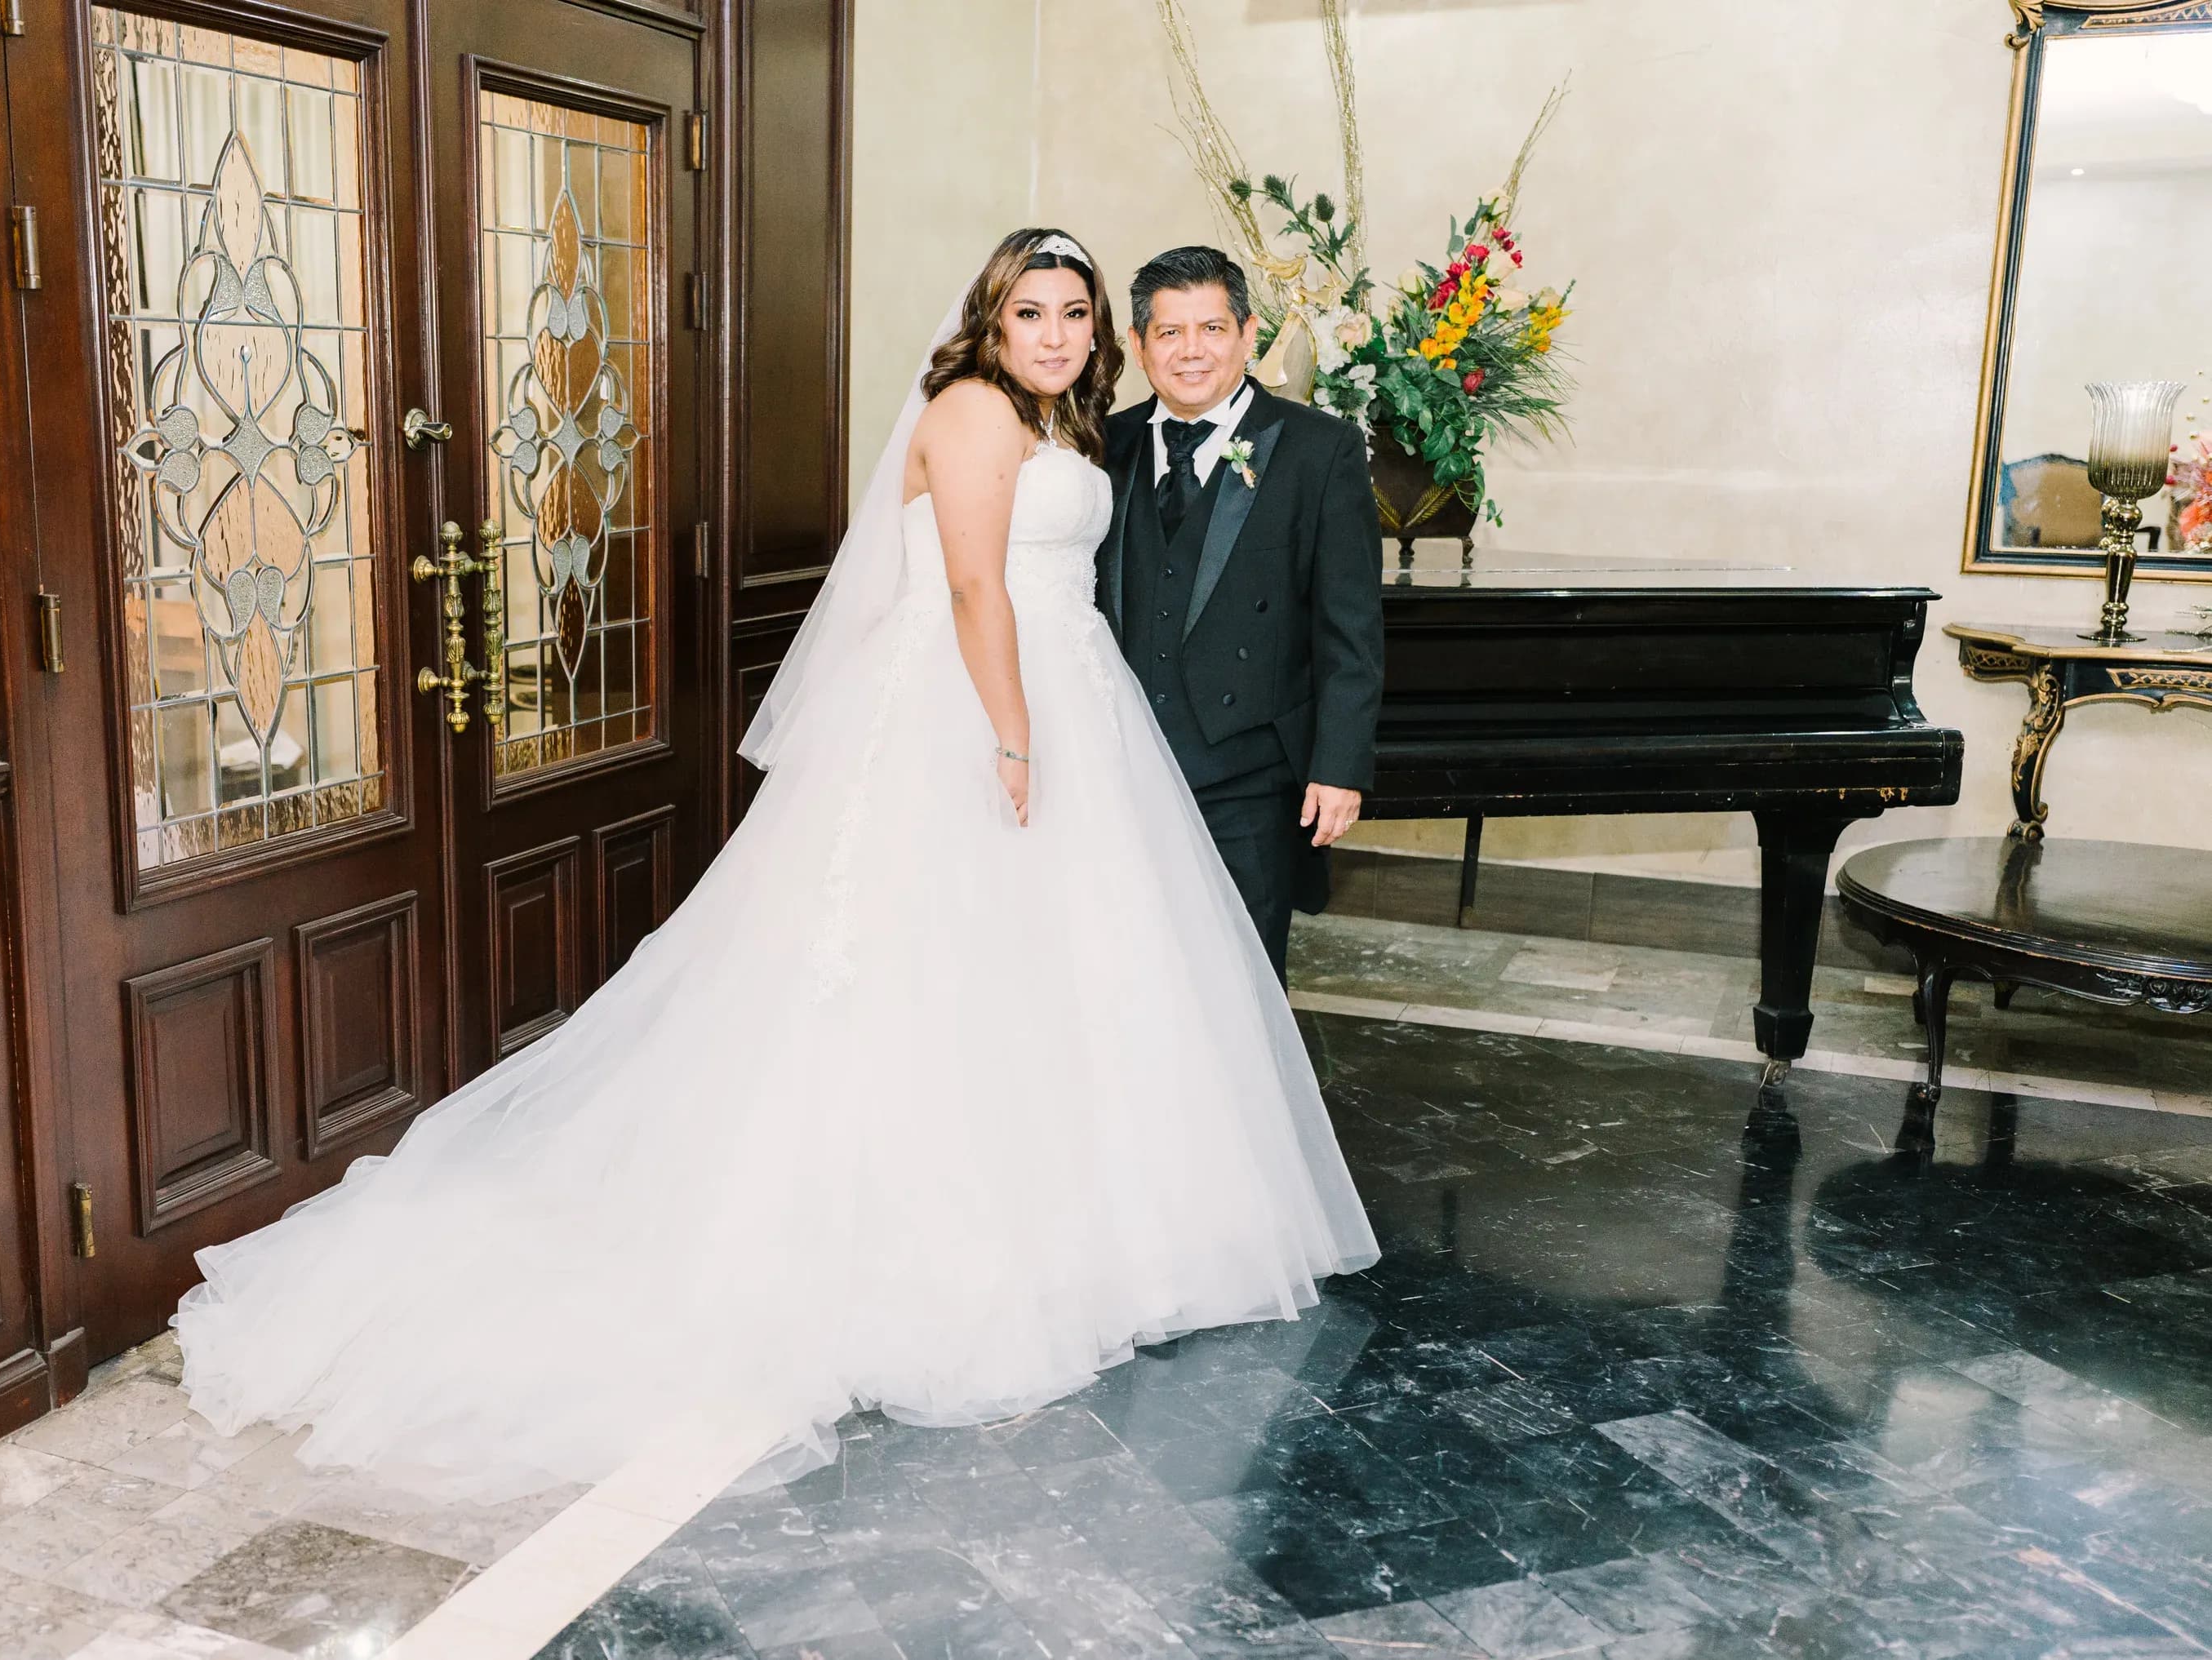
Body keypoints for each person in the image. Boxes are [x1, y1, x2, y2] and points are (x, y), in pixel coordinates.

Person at [171, 229, 1379, 1501]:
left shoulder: (1068, 426)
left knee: (1038, 984)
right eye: (1035, 311)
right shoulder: (974, 413)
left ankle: (1085, 1228)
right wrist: (1012, 739)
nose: (1059, 332)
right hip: (991, 710)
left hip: (1075, 706)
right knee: (921, 973)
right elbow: (975, 588)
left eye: (1075, 313)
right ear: (993, 319)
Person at [1101, 246, 1386, 977]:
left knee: (1242, 982)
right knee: (1129, 970)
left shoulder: (1320, 449)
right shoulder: (1106, 444)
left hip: (1250, 777)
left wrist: (1340, 767)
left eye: (1212, 328)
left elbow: (1349, 629)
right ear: (1138, 346)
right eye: (1168, 333)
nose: (1191, 352)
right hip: (1121, 769)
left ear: (1249, 333)